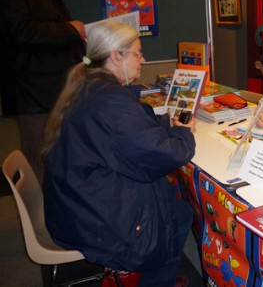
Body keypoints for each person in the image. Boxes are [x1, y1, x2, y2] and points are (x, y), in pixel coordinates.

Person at [40, 20, 196, 286]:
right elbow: (167, 154)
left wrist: (163, 125)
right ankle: (156, 278)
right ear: (116, 56)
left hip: (77, 205)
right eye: (138, 52)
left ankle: (154, 272)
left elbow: (131, 132)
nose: (143, 60)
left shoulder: (92, 87)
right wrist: (184, 133)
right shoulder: (109, 102)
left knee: (169, 201)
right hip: (91, 218)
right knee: (178, 213)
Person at [0, 0, 86, 185]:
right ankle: (42, 220)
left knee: (59, 158)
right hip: (35, 98)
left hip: (58, 95)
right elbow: (20, 32)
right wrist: (70, 29)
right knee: (41, 160)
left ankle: (60, 211)